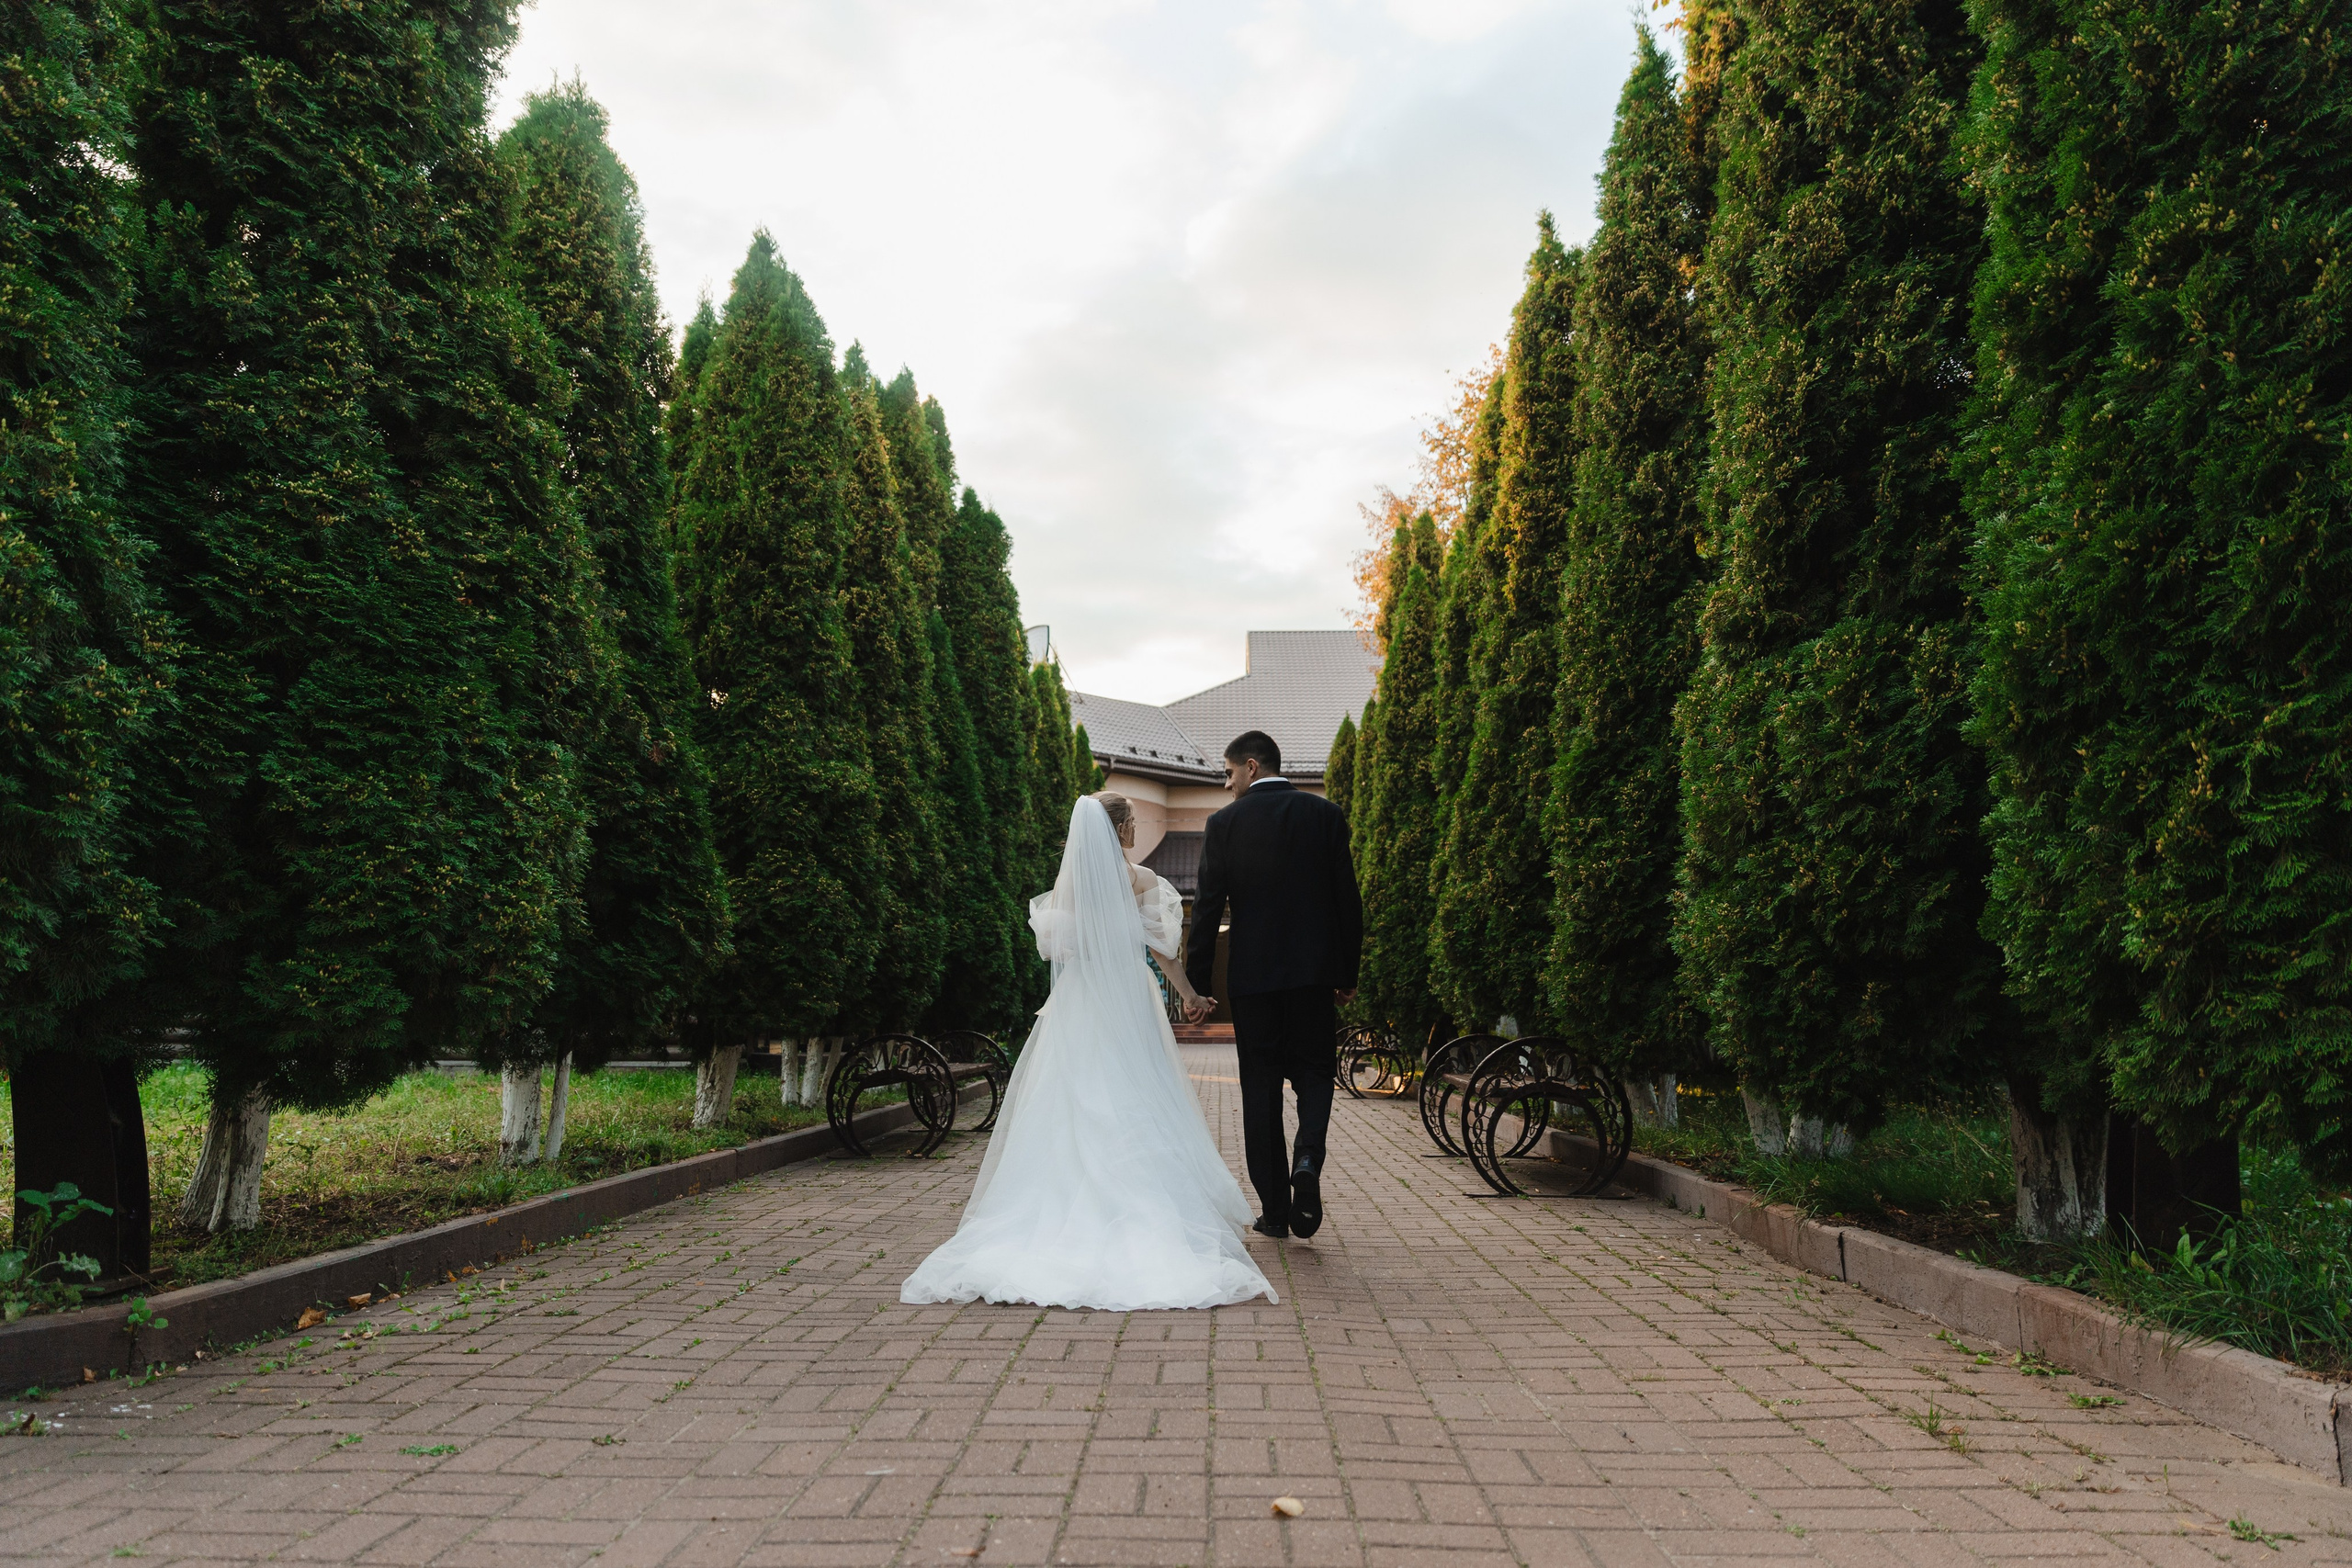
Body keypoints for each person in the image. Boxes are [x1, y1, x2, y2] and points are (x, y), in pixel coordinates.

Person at [899, 792, 1276, 1311]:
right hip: (1126, 1000)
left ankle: (1060, 1210)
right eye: (1134, 824)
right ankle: (1143, 1207)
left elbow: (1057, 949)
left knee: (1072, 1100)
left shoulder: (1068, 886)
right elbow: (1164, 951)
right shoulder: (1143, 881)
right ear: (1122, 830)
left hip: (1080, 1002)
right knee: (1136, 1096)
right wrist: (1190, 996)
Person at [1184, 730, 1363, 1240]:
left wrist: (1197, 988)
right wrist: (1345, 973)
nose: (1226, 784)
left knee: (1260, 1087)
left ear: (1253, 766)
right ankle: (1307, 1159)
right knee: (1313, 1073)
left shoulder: (1224, 825)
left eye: (1229, 772)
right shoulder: (1325, 816)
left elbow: (1207, 910)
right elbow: (1347, 902)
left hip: (1254, 980)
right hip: (1312, 977)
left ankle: (1275, 1211)